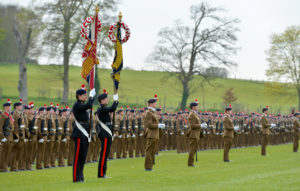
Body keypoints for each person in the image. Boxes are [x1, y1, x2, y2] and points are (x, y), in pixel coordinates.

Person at [71, 85, 95, 183]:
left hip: (85, 132)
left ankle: (81, 176)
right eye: (84, 95)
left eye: (86, 95)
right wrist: (91, 97)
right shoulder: (77, 105)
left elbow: (87, 107)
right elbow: (88, 105)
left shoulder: (82, 105)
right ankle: (76, 177)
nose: (85, 97)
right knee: (78, 156)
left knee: (83, 156)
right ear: (79, 96)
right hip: (79, 132)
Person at [96, 89, 119, 178]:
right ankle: (101, 173)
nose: (107, 100)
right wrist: (116, 100)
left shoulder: (103, 108)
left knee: (106, 153)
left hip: (107, 133)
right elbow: (112, 108)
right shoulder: (101, 108)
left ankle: (103, 173)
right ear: (102, 100)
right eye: (106, 98)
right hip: (105, 133)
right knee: (104, 153)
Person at [144, 94, 165, 171]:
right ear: (150, 104)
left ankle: (150, 166)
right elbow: (148, 124)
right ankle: (148, 167)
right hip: (151, 134)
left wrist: (159, 125)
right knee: (149, 151)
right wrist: (158, 125)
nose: (156, 104)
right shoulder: (149, 113)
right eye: (154, 103)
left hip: (155, 134)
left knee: (152, 151)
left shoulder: (153, 112)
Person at [187, 99, 201, 167]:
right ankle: (190, 163)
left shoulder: (195, 114)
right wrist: (200, 125)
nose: (197, 107)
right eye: (196, 106)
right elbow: (192, 126)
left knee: (194, 149)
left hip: (196, 134)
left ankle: (191, 163)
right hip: (193, 134)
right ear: (193, 107)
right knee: (192, 149)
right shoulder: (192, 114)